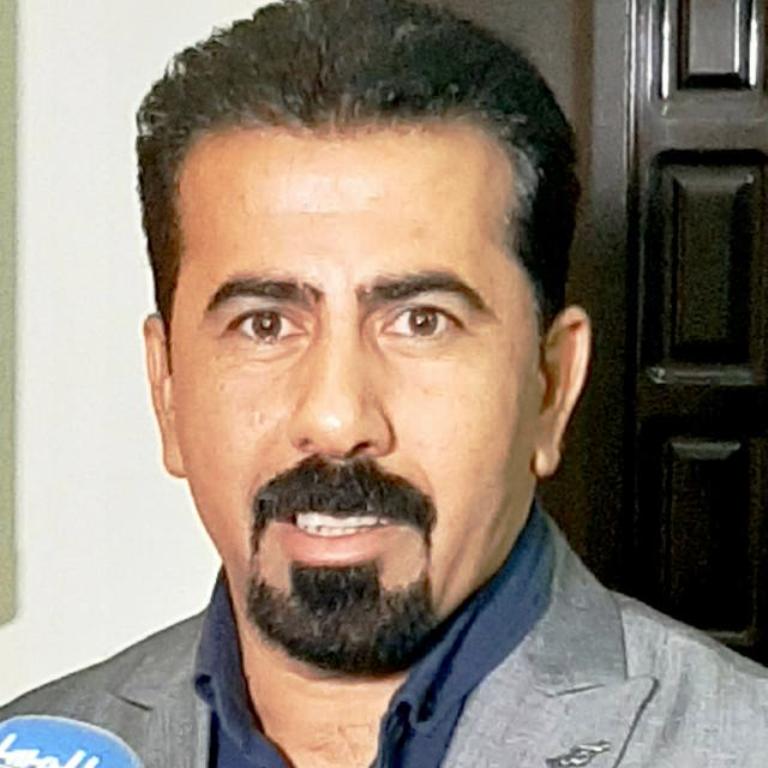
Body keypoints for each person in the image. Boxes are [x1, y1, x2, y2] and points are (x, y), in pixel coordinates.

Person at [2, 0, 767, 765]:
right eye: (264, 325)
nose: (337, 419)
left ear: (551, 386)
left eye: (421, 322)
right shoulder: (42, 737)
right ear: (166, 390)